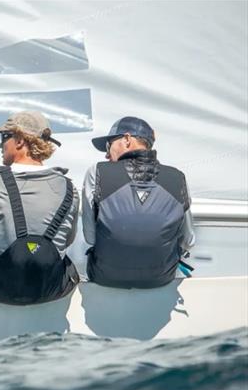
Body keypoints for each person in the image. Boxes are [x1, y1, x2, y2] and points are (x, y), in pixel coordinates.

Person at [0, 111, 79, 305]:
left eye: (4, 137)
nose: (0, 144)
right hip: (51, 289)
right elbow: (67, 241)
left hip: (0, 289)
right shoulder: (68, 187)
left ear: (19, 141)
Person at [83, 116, 195, 288]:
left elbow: (90, 238)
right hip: (161, 278)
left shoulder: (97, 172)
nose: (106, 154)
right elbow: (188, 240)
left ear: (127, 139)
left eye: (108, 145)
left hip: (106, 276)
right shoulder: (177, 177)